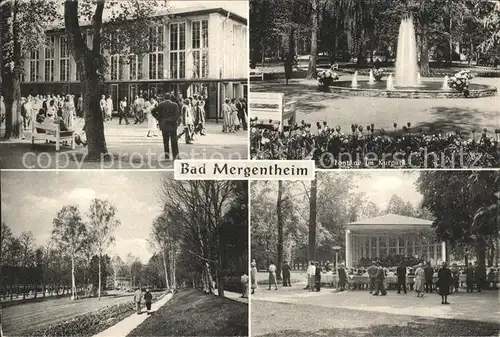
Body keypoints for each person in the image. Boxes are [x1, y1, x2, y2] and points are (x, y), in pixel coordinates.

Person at [151, 94, 180, 161]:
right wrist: (171, 120)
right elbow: (176, 116)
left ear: (164, 98)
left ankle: (166, 156)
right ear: (170, 98)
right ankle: (175, 156)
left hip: (164, 125)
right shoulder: (174, 105)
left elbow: (153, 111)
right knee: (174, 141)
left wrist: (159, 118)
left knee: (165, 141)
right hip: (172, 125)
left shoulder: (161, 104)